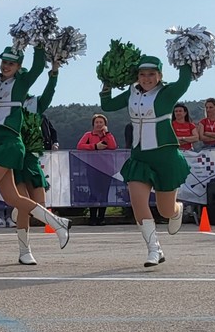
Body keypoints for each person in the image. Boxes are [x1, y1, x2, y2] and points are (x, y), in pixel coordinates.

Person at [0, 45, 72, 265]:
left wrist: (39, 41)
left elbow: (38, 66)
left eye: (11, 63)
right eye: (4, 62)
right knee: (12, 198)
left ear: (19, 66)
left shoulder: (21, 83)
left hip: (10, 141)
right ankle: (58, 223)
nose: (6, 66)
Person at [100, 55, 191, 267]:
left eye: (151, 74)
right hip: (140, 156)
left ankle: (177, 209)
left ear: (160, 76)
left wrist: (186, 55)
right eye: (142, 74)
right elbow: (108, 106)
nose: (146, 78)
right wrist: (106, 83)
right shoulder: (131, 92)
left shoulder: (168, 93)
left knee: (165, 211)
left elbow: (185, 81)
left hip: (165, 156)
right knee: (138, 202)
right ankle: (154, 249)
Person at [11, 58, 61, 251]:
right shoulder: (6, 99)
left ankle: (18, 210)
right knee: (25, 207)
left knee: (39, 204)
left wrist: (54, 72)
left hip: (31, 157)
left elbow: (49, 94)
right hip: (14, 156)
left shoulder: (34, 102)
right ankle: (25, 250)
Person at [76, 113, 118, 226]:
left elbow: (113, 146)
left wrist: (107, 133)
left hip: (107, 169)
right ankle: (93, 218)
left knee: (105, 193)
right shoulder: (88, 135)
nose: (99, 124)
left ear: (105, 124)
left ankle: (102, 218)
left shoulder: (108, 135)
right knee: (93, 193)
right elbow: (80, 146)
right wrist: (95, 147)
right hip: (92, 168)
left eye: (101, 122)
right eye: (97, 122)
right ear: (93, 124)